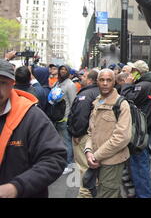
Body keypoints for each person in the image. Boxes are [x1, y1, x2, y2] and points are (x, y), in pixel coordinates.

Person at [0, 59, 67, 197]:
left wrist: (16, 187)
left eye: (2, 83)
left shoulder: (32, 116)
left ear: (13, 84)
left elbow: (55, 158)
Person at [84, 69, 132, 198]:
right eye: (102, 80)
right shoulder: (97, 102)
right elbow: (90, 132)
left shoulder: (121, 104)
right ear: (97, 82)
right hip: (97, 161)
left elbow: (122, 137)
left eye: (109, 80)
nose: (105, 83)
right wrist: (88, 151)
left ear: (114, 82)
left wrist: (97, 156)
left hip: (112, 162)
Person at [121, 60, 151, 198]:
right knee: (136, 168)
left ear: (139, 72)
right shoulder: (145, 84)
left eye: (133, 71)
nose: (130, 74)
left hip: (139, 133)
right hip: (139, 130)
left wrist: (127, 85)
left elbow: (126, 100)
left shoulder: (144, 85)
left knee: (140, 169)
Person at [67, 69, 99, 198]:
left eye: (84, 76)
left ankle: (85, 194)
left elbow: (80, 117)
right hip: (98, 137)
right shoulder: (101, 93)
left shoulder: (85, 95)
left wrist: (76, 134)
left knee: (85, 169)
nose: (82, 78)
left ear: (90, 79)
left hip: (84, 137)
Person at [54, 65, 78, 174]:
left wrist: (71, 119)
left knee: (67, 141)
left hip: (65, 118)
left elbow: (73, 103)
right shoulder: (57, 83)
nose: (62, 71)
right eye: (61, 69)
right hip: (57, 117)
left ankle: (68, 164)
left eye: (65, 70)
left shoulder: (70, 85)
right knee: (60, 142)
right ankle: (62, 161)